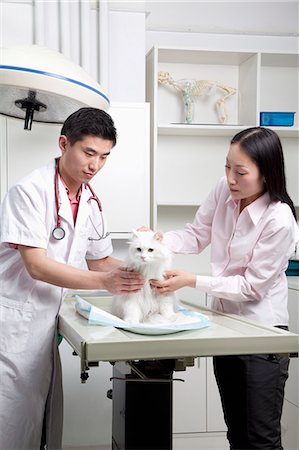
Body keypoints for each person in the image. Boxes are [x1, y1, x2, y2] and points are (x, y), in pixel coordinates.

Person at [0, 107, 144, 450]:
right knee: (12, 417)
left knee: (40, 413)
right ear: (64, 143)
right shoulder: (29, 191)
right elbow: (37, 265)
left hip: (50, 319)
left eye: (104, 157)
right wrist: (106, 283)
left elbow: (100, 260)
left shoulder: (90, 200)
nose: (95, 165)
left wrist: (143, 268)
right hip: (15, 319)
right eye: (89, 153)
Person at [150, 127, 299, 450]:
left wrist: (192, 280)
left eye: (241, 171)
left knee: (261, 439)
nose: (231, 178)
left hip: (262, 336)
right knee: (236, 435)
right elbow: (196, 234)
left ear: (266, 173)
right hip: (226, 330)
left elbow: (251, 287)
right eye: (227, 167)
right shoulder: (225, 190)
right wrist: (158, 240)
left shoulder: (280, 220)